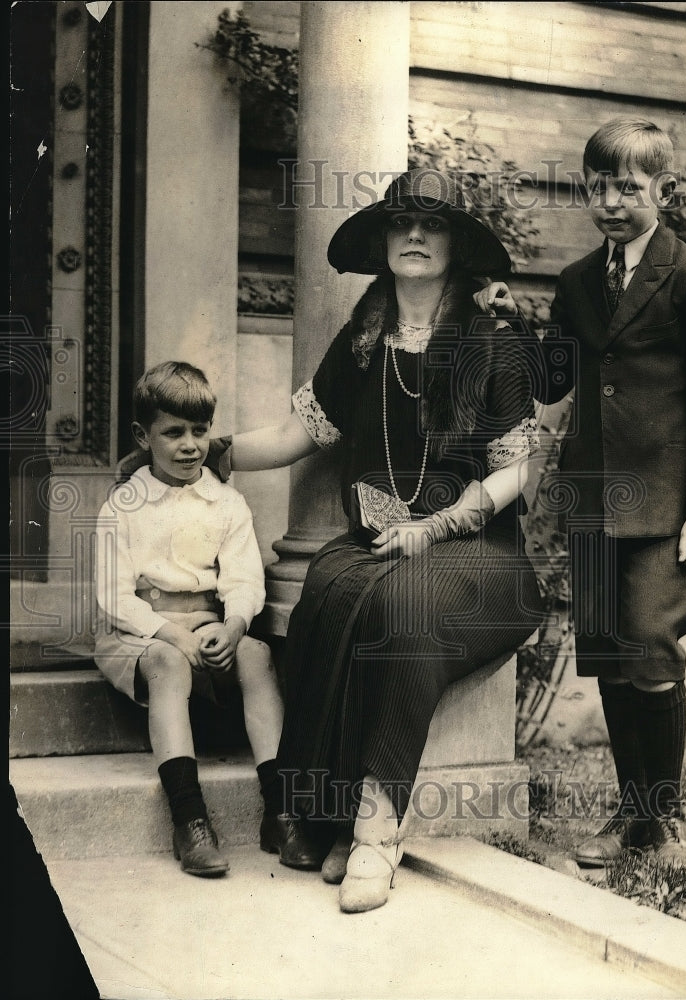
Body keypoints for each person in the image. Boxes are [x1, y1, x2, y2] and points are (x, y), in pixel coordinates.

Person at [178, 169, 544, 913]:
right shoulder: (362, 338)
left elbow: (516, 473)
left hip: (481, 554)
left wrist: (436, 526)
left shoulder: (494, 344)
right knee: (328, 589)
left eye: (430, 224)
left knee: (406, 606)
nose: (413, 235)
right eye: (400, 223)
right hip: (380, 541)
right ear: (383, 241)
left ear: (454, 244)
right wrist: (204, 452)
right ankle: (327, 816)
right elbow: (298, 432)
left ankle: (377, 833)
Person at [477, 118, 686, 870]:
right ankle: (631, 816)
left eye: (629, 186)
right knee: (609, 656)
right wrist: (505, 321)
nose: (612, 200)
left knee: (651, 649)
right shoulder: (573, 283)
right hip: (591, 502)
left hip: (664, 507)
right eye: (599, 186)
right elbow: (556, 382)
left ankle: (667, 822)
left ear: (663, 190)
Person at [95, 361, 284, 878]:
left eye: (199, 431)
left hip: (205, 625)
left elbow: (245, 581)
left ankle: (280, 809)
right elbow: (113, 595)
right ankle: (190, 819)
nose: (189, 445)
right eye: (173, 432)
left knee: (259, 656)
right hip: (139, 633)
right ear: (143, 435)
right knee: (169, 664)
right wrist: (173, 634)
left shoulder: (225, 502)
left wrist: (235, 626)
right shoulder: (124, 505)